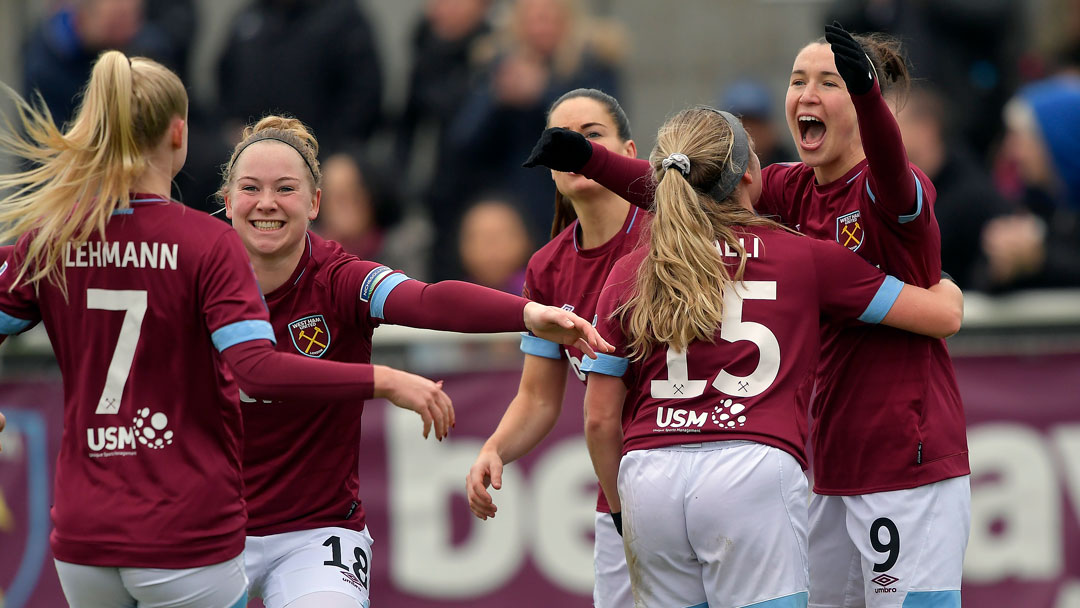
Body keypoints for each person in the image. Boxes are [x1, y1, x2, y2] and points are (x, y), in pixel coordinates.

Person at [524, 24, 971, 608]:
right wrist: (589, 158)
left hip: (904, 457)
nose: (806, 94)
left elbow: (890, 167)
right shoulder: (790, 189)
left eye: (829, 82)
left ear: (867, 109)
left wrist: (867, 96)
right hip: (825, 461)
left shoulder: (893, 189)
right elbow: (691, 184)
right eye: (796, 80)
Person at [0, 52, 453, 608]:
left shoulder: (53, 237)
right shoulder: (205, 242)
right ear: (178, 133)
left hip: (84, 534)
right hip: (184, 529)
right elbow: (256, 370)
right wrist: (381, 380)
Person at [218, 114, 611, 608]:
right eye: (250, 188)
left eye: (286, 188)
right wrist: (382, 380)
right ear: (228, 200)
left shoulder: (339, 277)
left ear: (315, 202)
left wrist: (528, 313)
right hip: (208, 527)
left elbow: (429, 301)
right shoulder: (195, 273)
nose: (267, 203)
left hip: (316, 534)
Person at [465, 88, 642, 608]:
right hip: (617, 500)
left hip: (692, 476)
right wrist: (494, 449)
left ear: (628, 154)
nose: (575, 151)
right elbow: (539, 399)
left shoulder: (670, 237)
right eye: (560, 141)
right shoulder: (545, 267)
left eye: (590, 137)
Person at [458, 198, 532, 294]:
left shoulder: (541, 298)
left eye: (502, 237)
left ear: (525, 241)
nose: (492, 248)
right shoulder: (453, 299)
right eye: (481, 238)